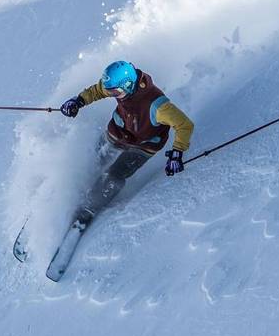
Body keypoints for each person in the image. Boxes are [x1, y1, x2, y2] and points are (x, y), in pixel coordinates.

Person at [59, 60, 194, 227]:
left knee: (115, 173)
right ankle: (82, 185)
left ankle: (88, 208)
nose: (112, 95)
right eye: (110, 92)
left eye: (115, 92)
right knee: (98, 157)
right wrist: (78, 101)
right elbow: (97, 91)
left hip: (144, 145)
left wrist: (177, 153)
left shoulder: (157, 105)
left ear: (129, 85)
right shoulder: (116, 86)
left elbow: (184, 125)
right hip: (118, 131)